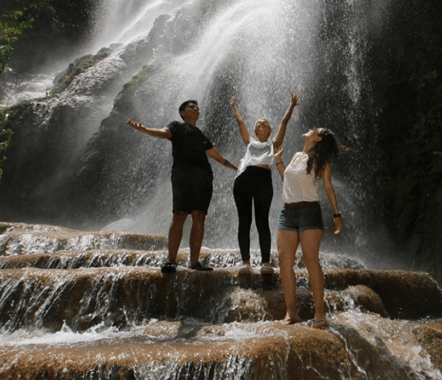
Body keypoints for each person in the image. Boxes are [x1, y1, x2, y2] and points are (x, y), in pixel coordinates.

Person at [127, 100, 237, 273]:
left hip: (204, 177)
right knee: (179, 215)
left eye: (197, 107)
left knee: (199, 217)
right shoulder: (177, 126)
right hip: (182, 174)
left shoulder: (201, 135)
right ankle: (171, 260)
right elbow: (164, 133)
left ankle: (194, 262)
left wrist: (239, 169)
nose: (196, 109)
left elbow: (218, 157)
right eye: (191, 107)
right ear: (182, 113)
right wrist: (145, 129)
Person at [274, 127, 349, 329]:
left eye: (314, 129)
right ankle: (291, 313)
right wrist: (279, 161)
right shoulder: (296, 155)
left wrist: (336, 216)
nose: (309, 128)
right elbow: (287, 181)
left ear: (317, 138)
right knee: (284, 261)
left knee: (310, 260)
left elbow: (328, 188)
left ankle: (319, 313)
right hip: (287, 212)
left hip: (309, 212)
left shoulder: (321, 161)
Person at [230, 93, 300, 275]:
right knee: (244, 221)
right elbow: (241, 123)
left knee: (262, 221)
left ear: (269, 131)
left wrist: (291, 105)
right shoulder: (249, 142)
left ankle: (265, 262)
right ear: (255, 131)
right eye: (259, 123)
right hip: (244, 179)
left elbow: (284, 123)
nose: (262, 123)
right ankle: (245, 261)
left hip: (263, 180)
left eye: (266, 123)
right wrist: (235, 107)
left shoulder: (273, 143)